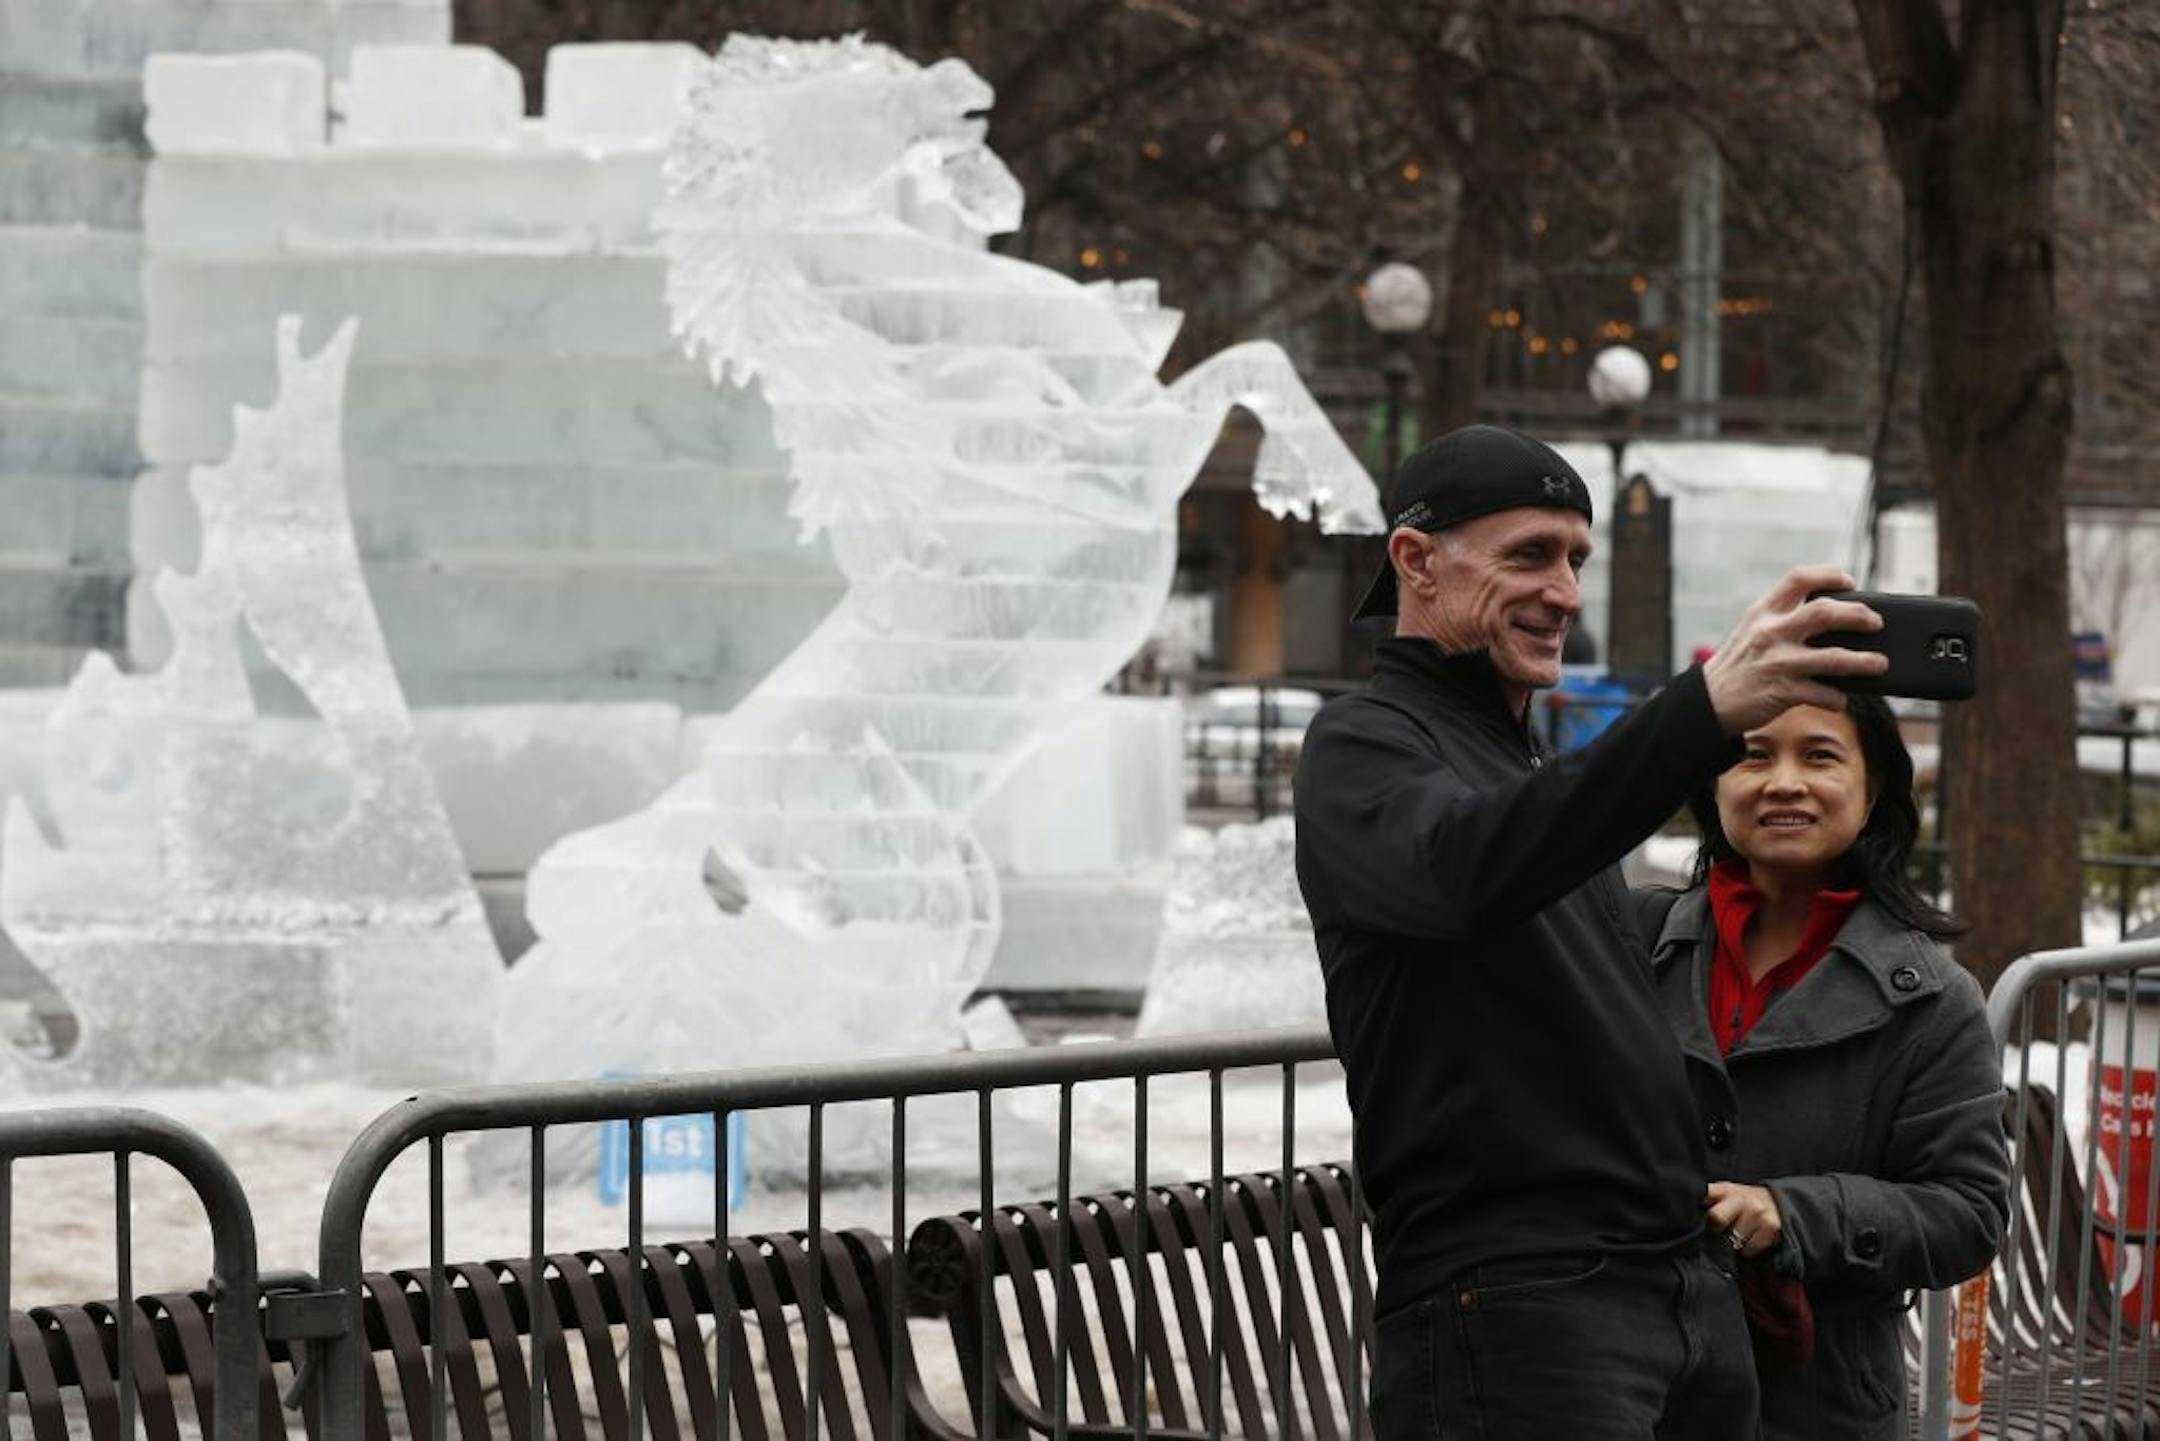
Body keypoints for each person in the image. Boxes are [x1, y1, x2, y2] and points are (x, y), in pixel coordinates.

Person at [1293, 423, 1889, 1440]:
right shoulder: (1362, 743)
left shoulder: (1521, 766)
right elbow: (1469, 868)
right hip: (1520, 1311)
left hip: (1669, 1296)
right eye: (1530, 553)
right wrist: (1698, 710)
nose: (1566, 591)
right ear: (1416, 560)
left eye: (1577, 558)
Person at [1645, 694, 2010, 1440]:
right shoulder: (1632, 942)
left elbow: (1968, 1210)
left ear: (1873, 789)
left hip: (1818, 1404)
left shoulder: (1935, 1002)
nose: (1783, 781)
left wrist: (1792, 1214)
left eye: (1819, 755)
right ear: (1713, 782)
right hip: (1632, 1386)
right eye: (1753, 754)